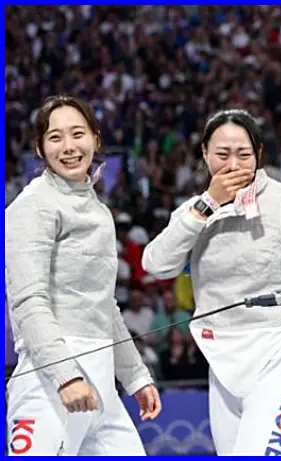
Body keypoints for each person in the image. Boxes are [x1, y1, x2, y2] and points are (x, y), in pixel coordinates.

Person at [141, 109, 281, 456]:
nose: (233, 164)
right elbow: (156, 265)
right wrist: (206, 205)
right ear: (205, 154)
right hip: (222, 365)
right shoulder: (195, 211)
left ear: (258, 154)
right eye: (222, 154)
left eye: (243, 154)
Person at [5, 95, 161, 456]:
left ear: (96, 139)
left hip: (101, 386)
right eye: (55, 137)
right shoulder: (33, 205)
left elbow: (104, 306)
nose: (69, 146)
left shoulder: (98, 210)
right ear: (40, 149)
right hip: (49, 384)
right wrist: (67, 376)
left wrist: (135, 376)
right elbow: (28, 300)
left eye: (78, 134)